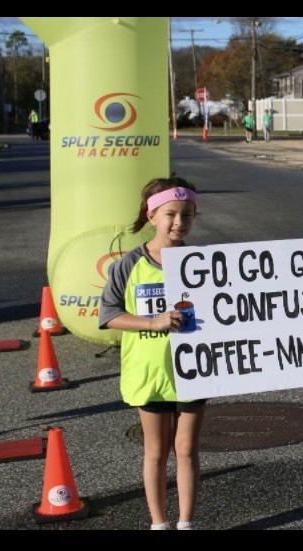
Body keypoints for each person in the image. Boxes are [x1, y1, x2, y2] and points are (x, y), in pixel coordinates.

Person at [99, 174, 205, 531]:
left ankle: (186, 522)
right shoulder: (128, 264)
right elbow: (110, 315)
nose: (179, 222)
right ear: (151, 216)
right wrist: (151, 322)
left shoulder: (205, 263)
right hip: (151, 375)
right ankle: (159, 523)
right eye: (170, 214)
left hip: (195, 372)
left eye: (187, 214)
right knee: (156, 453)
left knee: (187, 451)